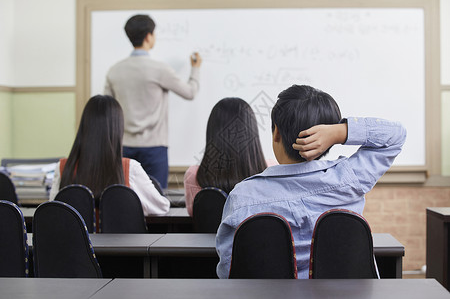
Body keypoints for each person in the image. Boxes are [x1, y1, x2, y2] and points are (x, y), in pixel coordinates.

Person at [215, 84, 407, 279]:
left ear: (276, 133)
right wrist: (340, 132)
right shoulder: (349, 179)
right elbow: (396, 135)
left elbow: (228, 271)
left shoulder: (243, 196)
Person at [104, 14, 202, 190]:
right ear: (149, 36)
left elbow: (107, 109)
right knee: (156, 202)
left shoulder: (115, 71)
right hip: (154, 148)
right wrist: (195, 69)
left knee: (124, 198)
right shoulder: (159, 69)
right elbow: (190, 92)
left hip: (123, 147)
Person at [49, 95, 170, 216]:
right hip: (121, 236)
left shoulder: (63, 167)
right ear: (118, 128)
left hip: (74, 236)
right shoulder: (130, 168)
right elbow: (161, 208)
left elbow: (54, 211)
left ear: (84, 127)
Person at [183, 97, 275, 216]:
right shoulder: (271, 171)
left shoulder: (193, 175)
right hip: (255, 234)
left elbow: (193, 214)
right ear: (252, 132)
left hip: (210, 235)